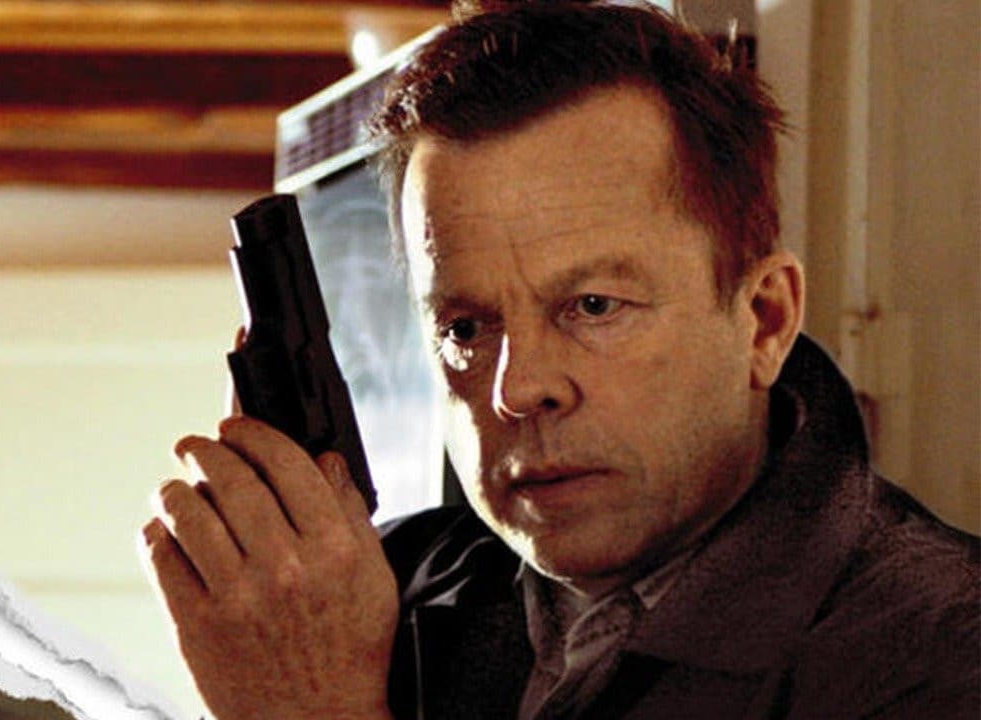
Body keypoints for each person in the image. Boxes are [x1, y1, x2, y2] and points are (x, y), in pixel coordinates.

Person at [140, 2, 980, 719]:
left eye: (593, 307)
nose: (517, 388)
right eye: (465, 327)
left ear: (764, 321)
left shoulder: (942, 650)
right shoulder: (367, 590)